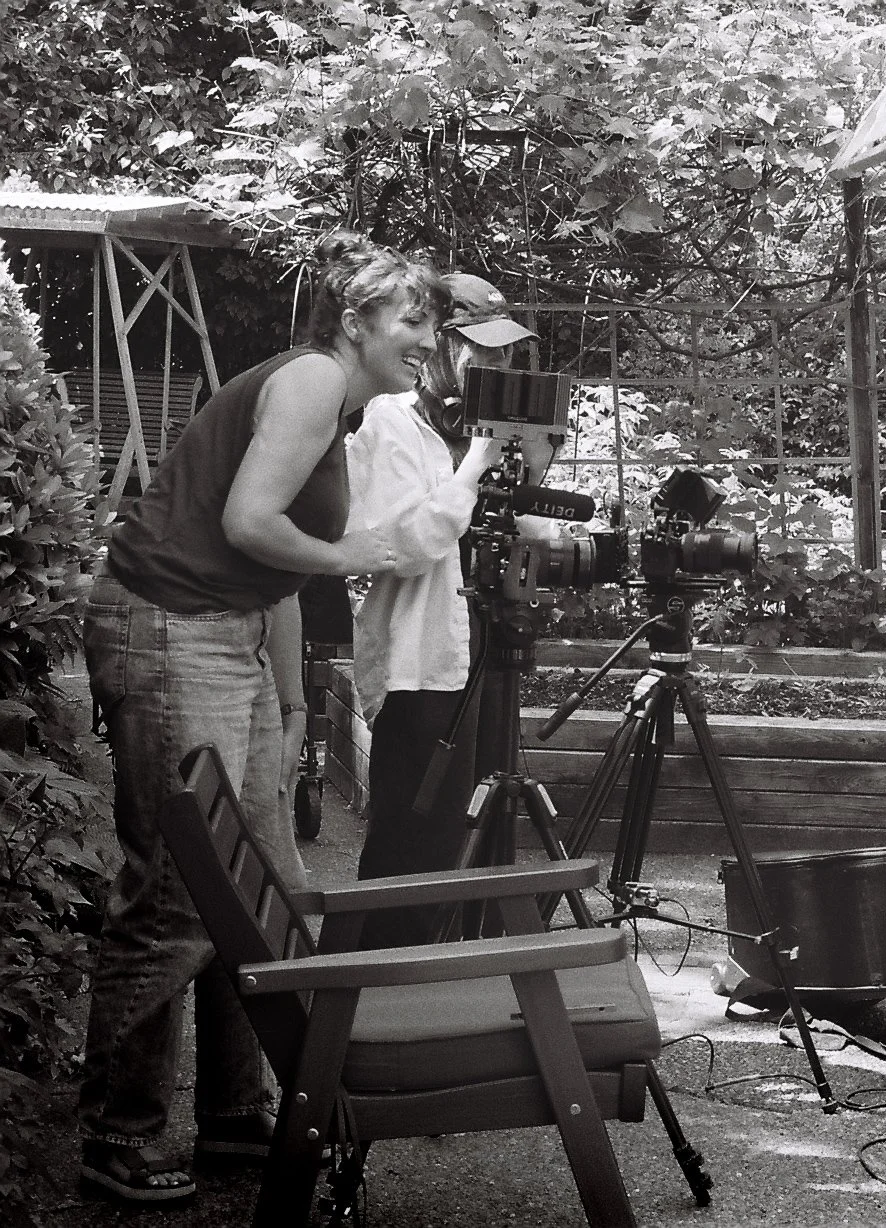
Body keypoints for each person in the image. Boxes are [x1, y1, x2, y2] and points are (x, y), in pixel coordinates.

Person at [77, 232, 441, 1203]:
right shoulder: (315, 380)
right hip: (165, 626)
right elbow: (250, 523)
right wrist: (368, 548)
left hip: (223, 632)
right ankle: (117, 1132)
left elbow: (270, 571)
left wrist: (284, 705)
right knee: (184, 886)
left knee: (263, 887)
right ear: (356, 322)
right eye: (412, 318)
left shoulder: (347, 410)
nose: (428, 337)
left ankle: (236, 1119)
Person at [345, 272, 541, 949]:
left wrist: (529, 473)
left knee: (475, 826)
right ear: (437, 344)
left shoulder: (481, 428)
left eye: (504, 350)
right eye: (478, 347)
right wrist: (477, 463)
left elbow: (516, 527)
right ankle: (372, 987)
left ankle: (457, 969)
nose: (494, 363)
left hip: (480, 644)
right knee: (414, 836)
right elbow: (408, 544)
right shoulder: (391, 421)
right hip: (419, 660)